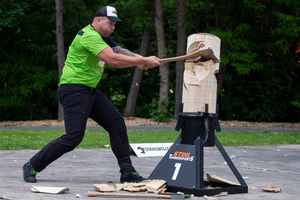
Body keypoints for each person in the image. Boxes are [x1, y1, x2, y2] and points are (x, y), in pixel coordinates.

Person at [22, 6, 160, 183]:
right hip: (73, 90)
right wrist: (142, 61)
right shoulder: (89, 36)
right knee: (74, 137)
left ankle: (127, 172)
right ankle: (32, 165)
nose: (113, 27)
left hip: (88, 90)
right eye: (110, 23)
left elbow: (118, 51)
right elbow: (112, 59)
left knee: (116, 122)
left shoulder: (103, 38)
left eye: (114, 24)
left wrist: (141, 59)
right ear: (98, 20)